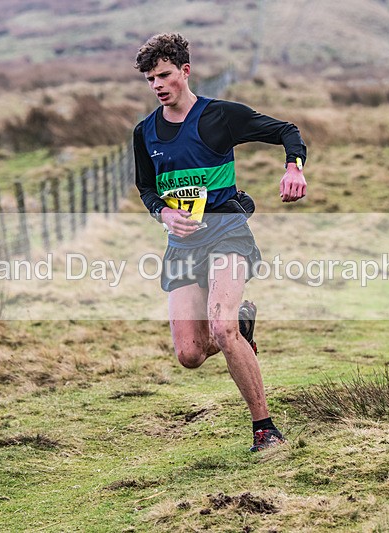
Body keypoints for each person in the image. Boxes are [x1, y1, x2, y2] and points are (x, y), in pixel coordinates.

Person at [133, 33, 307, 452]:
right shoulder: (144, 133)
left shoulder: (219, 116)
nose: (157, 85)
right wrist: (164, 213)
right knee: (190, 355)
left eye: (164, 75)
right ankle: (242, 325)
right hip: (182, 247)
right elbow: (146, 189)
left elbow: (287, 131)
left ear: (185, 72)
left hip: (227, 230)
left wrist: (294, 168)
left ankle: (265, 429)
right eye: (150, 79)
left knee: (222, 327)